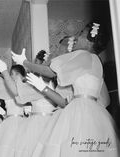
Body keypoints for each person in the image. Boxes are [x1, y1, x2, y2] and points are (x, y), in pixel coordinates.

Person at [13, 22, 119, 156]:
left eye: (81, 34)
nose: (76, 37)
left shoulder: (84, 55)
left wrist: (25, 62)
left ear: (90, 39)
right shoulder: (97, 62)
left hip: (80, 109)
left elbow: (50, 72)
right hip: (94, 112)